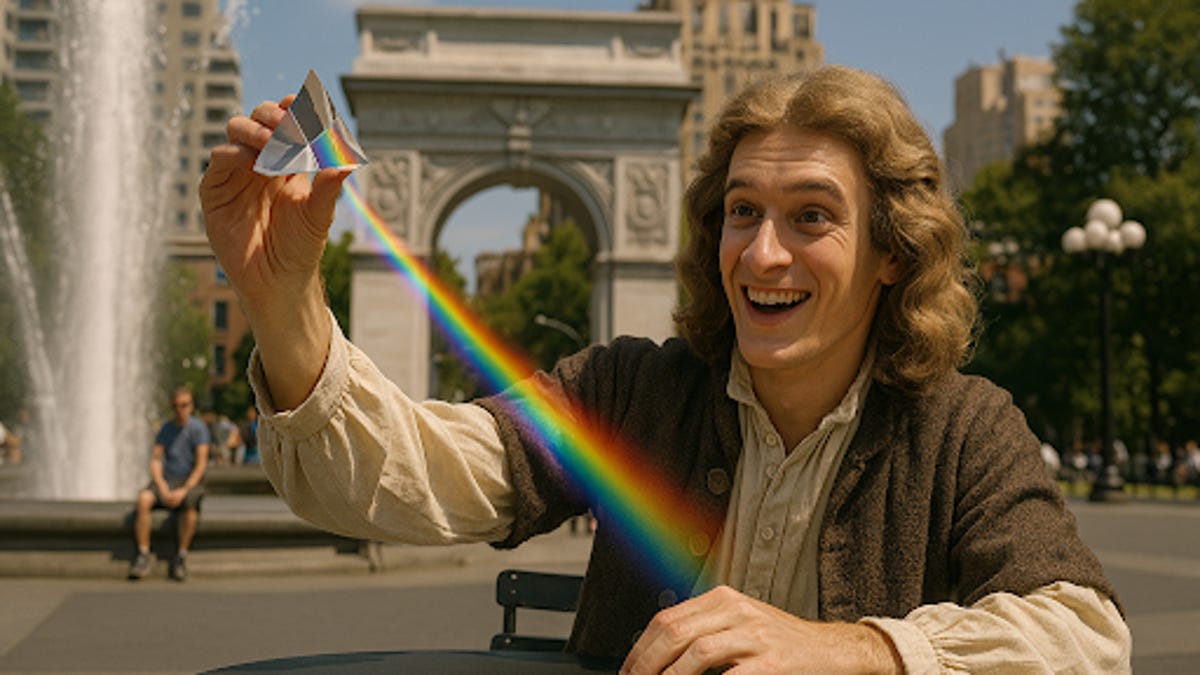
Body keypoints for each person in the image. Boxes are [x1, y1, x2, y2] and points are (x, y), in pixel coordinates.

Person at [201, 65, 1130, 671]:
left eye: (812, 215)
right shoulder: (629, 392)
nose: (763, 254)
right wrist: (282, 300)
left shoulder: (964, 426)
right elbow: (413, 475)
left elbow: (1086, 634)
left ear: (893, 250)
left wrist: (852, 650)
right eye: (742, 211)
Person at [129, 387, 210, 581]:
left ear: (191, 406)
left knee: (190, 506)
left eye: (184, 405)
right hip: (168, 480)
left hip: (189, 481)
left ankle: (181, 556)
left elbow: (200, 466)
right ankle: (143, 554)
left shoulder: (198, 428)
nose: (180, 410)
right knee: (143, 499)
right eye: (175, 406)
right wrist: (162, 486)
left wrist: (184, 490)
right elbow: (155, 459)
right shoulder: (166, 428)